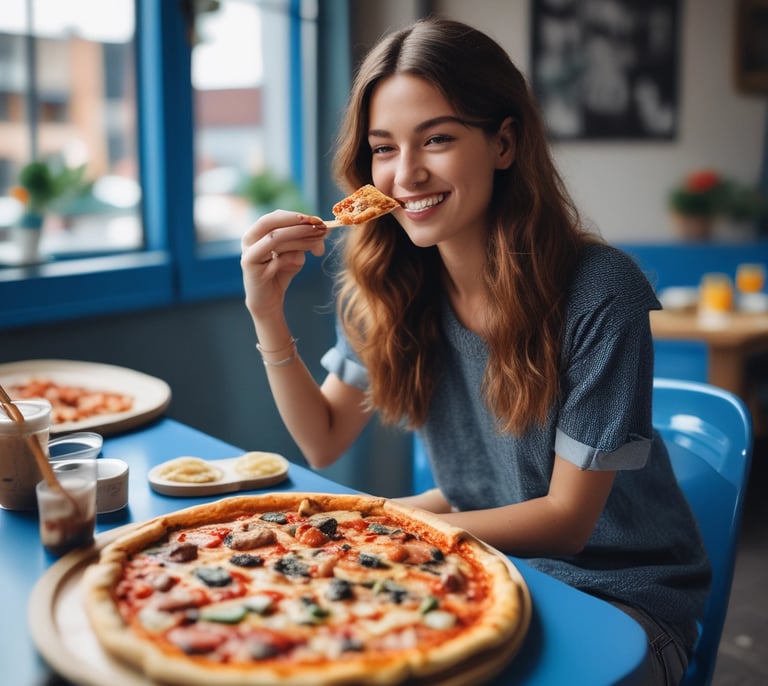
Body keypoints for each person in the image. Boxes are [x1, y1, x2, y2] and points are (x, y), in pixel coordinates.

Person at [240, 17, 710, 685]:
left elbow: (566, 522)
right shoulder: (391, 284)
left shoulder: (602, 292)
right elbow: (322, 440)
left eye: (436, 139)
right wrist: (266, 313)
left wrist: (384, 521)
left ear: (504, 142)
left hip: (620, 602)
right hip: (483, 570)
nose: (405, 175)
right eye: (383, 148)